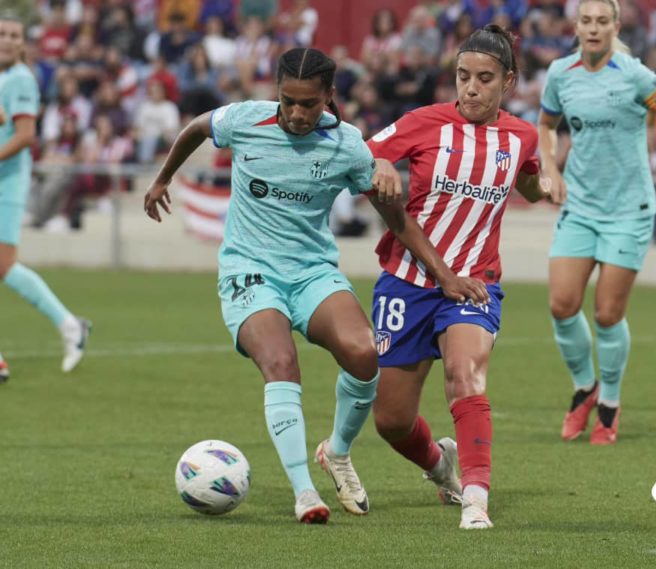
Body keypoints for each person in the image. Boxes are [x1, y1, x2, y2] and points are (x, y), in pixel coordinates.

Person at [143, 47, 485, 524]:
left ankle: (338, 452)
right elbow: (199, 127)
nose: (297, 114)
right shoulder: (245, 119)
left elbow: (397, 220)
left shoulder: (346, 144)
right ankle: (305, 492)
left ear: (329, 96)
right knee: (281, 361)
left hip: (311, 273)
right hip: (250, 271)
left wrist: (445, 277)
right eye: (288, 102)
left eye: (309, 104)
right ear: (276, 94)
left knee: (365, 352)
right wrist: (163, 178)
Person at [367, 25, 557, 530]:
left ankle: (476, 500)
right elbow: (366, 155)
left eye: (484, 79)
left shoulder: (520, 136)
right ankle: (439, 466)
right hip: (407, 282)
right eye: (463, 76)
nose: (471, 88)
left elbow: (531, 179)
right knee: (391, 421)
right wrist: (380, 166)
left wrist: (546, 184)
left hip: (474, 282)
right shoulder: (423, 122)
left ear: (509, 82)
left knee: (465, 376)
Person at [538, 0, 656, 445]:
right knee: (561, 305)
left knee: (608, 314)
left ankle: (608, 402)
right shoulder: (559, 74)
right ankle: (584, 387)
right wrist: (548, 166)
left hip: (629, 210)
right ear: (577, 25)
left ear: (615, 26)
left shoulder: (635, 75)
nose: (593, 28)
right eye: (586, 21)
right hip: (580, 208)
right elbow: (546, 125)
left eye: (601, 21)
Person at [0, 13, 90, 381]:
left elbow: (24, 135)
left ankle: (70, 325)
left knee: (5, 265)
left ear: (23, 43)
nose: (6, 39)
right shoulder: (6, 77)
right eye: (2, 33)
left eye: (13, 35)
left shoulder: (21, 78)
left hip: (8, 182)